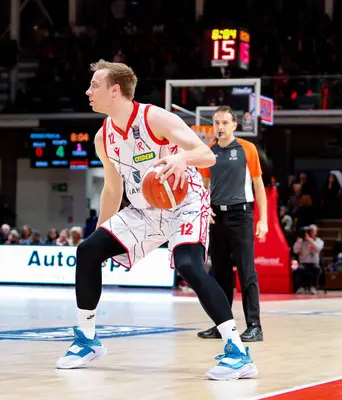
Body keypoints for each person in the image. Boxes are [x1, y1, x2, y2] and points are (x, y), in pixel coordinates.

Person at [55, 60, 257, 381]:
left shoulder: (154, 118)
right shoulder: (103, 138)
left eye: (95, 85)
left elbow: (207, 155)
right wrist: (103, 232)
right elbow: (112, 188)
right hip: (143, 209)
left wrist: (180, 156)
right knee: (88, 251)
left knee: (188, 264)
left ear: (115, 90)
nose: (88, 91)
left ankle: (237, 349)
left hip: (184, 201)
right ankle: (87, 339)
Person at [196, 106, 267, 342]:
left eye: (225, 122)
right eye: (216, 122)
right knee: (220, 275)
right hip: (217, 216)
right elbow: (203, 188)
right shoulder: (207, 152)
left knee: (247, 272)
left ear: (234, 125)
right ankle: (222, 326)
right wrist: (205, 211)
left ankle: (254, 326)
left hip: (241, 216)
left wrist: (263, 219)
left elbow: (258, 185)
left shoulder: (248, 149)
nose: (220, 127)